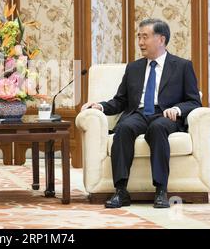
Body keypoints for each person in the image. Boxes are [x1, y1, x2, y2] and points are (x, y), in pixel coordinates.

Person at [82, 19, 201, 209]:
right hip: (138, 113)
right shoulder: (134, 68)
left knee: (158, 129)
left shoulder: (182, 66)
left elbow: (194, 101)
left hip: (164, 115)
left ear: (161, 39)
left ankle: (161, 190)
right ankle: (121, 191)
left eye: (145, 37)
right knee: (124, 129)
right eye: (139, 37)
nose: (140, 42)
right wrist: (101, 107)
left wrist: (177, 110)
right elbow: (120, 100)